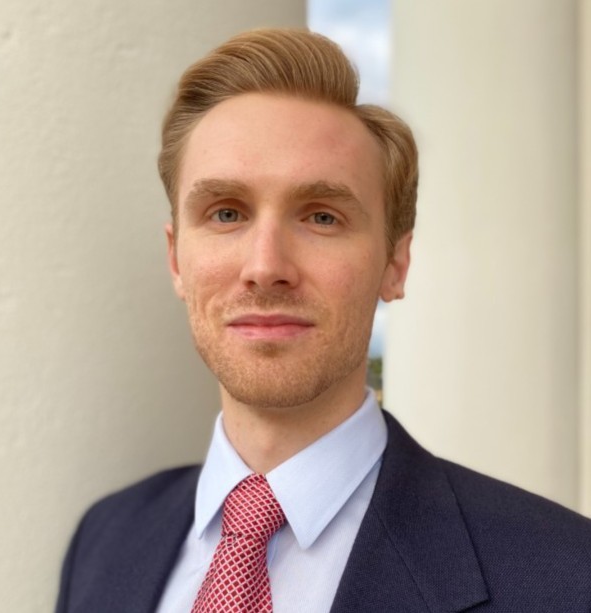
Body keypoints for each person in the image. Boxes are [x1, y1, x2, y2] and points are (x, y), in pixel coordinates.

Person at [55, 28, 591, 613]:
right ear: (177, 259)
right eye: (226, 213)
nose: (265, 267)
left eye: (322, 217)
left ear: (395, 264)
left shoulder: (566, 576)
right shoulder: (105, 540)